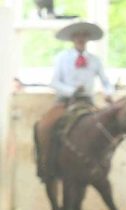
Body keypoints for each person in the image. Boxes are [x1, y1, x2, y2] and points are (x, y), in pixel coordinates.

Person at [36, 21, 114, 181]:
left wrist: (108, 92)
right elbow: (54, 82)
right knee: (48, 125)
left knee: (105, 126)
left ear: (87, 39)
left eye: (84, 36)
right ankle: (47, 164)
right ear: (72, 38)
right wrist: (71, 90)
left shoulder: (95, 60)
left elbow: (106, 82)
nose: (81, 39)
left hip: (87, 101)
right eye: (78, 36)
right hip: (65, 101)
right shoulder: (62, 58)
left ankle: (99, 164)